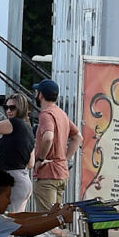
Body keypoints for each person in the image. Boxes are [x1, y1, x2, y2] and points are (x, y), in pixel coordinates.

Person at [0, 94, 37, 237]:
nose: (8, 111)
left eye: (12, 107)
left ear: (21, 108)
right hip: (22, 178)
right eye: (6, 107)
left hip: (13, 180)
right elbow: (31, 162)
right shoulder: (28, 129)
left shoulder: (15, 124)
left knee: (5, 223)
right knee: (16, 223)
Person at [33, 79, 82, 212]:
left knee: (46, 221)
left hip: (47, 174)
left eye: (36, 92)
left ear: (41, 95)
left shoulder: (46, 114)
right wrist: (65, 159)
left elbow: (48, 137)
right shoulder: (61, 113)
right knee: (55, 220)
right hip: (61, 173)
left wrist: (40, 159)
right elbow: (78, 137)